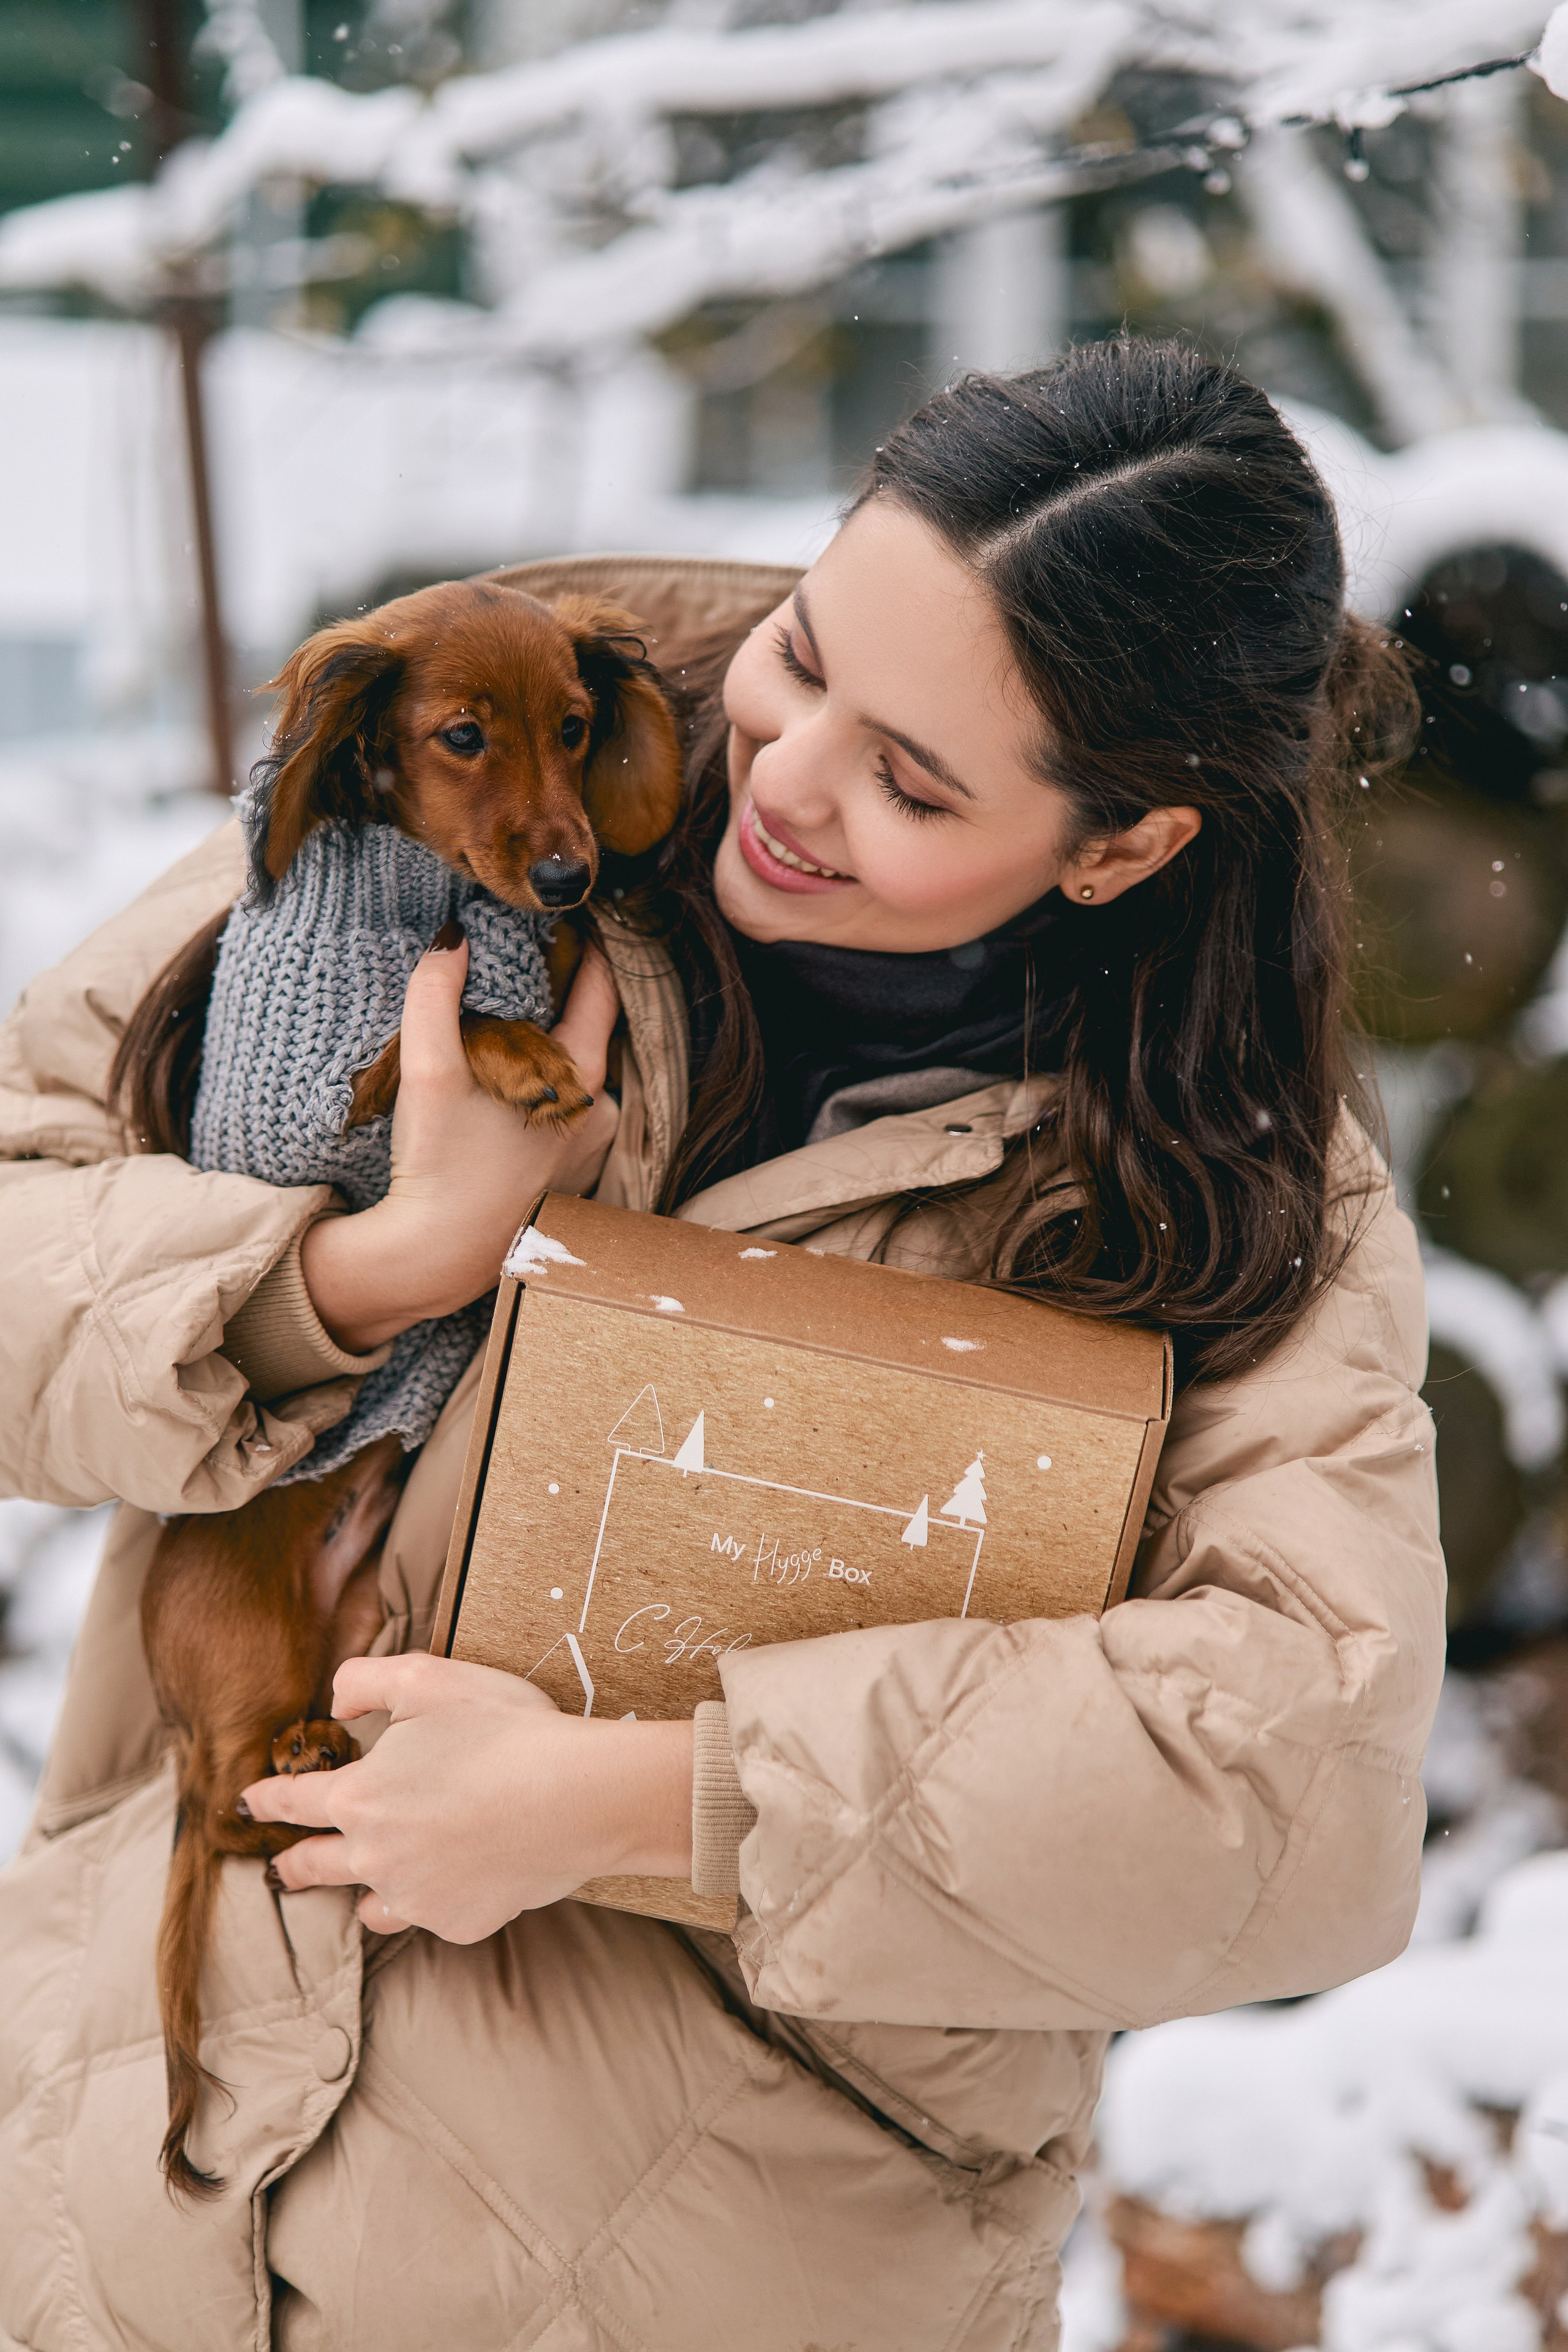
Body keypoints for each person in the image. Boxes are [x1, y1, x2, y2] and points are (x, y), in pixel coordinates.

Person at [0, 341, 1444, 2348]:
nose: (780, 776)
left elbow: (1307, 1787)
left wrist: (645, 1800)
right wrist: (369, 1269)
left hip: (721, 2274)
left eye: (913, 778)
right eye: (798, 653)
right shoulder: (429, 804)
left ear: (1123, 846)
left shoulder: (1230, 1182)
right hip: (119, 2207)